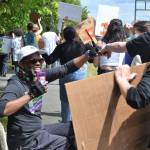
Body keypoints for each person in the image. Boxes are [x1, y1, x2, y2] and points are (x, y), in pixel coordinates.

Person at [0, 45, 96, 150]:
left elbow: (65, 68)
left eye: (40, 60)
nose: (37, 63)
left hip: (38, 130)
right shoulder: (16, 83)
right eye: (33, 61)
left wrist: (87, 55)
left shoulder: (39, 76)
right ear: (21, 64)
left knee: (77, 127)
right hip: (25, 141)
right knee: (71, 144)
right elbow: (3, 109)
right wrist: (31, 95)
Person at [43, 26, 88, 122]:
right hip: (81, 74)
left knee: (65, 101)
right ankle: (79, 124)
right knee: (78, 100)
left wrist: (43, 53)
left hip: (66, 75)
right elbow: (91, 59)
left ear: (64, 36)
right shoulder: (82, 45)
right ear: (75, 34)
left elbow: (49, 61)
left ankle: (65, 124)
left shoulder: (61, 47)